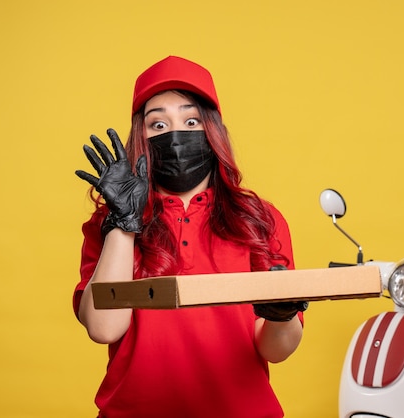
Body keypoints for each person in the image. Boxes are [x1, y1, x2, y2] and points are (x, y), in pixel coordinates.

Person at [73, 55, 307, 418]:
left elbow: (276, 349)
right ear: (142, 138)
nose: (175, 135)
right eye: (158, 124)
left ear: (212, 130)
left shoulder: (259, 218)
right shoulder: (107, 222)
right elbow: (104, 327)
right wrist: (124, 223)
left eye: (191, 119)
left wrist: (282, 314)